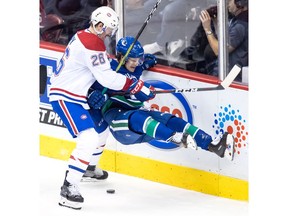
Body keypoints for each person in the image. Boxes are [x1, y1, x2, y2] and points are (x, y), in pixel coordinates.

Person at [48, 6, 155, 210]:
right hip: (65, 95)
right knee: (88, 138)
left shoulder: (85, 37)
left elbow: (104, 68)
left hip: (76, 95)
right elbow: (107, 77)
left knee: (101, 131)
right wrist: (135, 84)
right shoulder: (92, 42)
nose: (109, 34)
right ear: (99, 25)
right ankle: (69, 187)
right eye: (108, 30)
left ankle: (88, 168)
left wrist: (138, 65)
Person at [88, 36, 235, 163]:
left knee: (171, 120)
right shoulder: (108, 71)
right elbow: (89, 89)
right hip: (118, 121)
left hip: (136, 118)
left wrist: (147, 62)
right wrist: (93, 94)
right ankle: (175, 138)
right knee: (139, 117)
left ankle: (213, 145)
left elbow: (147, 64)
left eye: (138, 60)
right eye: (132, 60)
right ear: (121, 57)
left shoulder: (137, 67)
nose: (136, 63)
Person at [199, 0, 248, 81]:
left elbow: (219, 51)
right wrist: (215, 23)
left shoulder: (240, 26)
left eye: (228, 1)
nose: (227, 4)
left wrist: (207, 29)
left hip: (230, 80)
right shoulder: (236, 21)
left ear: (239, 2)